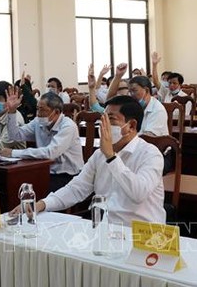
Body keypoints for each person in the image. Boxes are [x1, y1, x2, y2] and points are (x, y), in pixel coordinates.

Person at [13, 95, 166, 225]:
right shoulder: (100, 155)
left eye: (110, 119)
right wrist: (41, 204)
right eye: (102, 118)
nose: (103, 125)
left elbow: (138, 193)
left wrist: (111, 157)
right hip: (105, 231)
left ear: (131, 125)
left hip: (143, 235)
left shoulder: (150, 154)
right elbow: (76, 189)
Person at [1, 90, 84, 192]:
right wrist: (12, 112)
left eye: (42, 110)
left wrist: (13, 153)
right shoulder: (38, 122)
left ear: (56, 112)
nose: (38, 114)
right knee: (16, 186)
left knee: (36, 191)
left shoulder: (68, 126)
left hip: (68, 176)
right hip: (45, 172)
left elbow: (50, 153)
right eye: (37, 109)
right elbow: (15, 135)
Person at [107, 63, 169, 136]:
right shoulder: (133, 105)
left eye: (134, 90)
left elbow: (149, 137)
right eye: (129, 91)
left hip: (152, 145)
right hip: (133, 143)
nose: (131, 94)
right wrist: (118, 76)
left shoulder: (157, 110)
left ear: (146, 90)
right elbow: (110, 100)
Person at [150, 52, 192, 116]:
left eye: (174, 83)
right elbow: (155, 81)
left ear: (180, 85)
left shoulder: (186, 98)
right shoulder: (166, 92)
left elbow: (186, 116)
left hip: (178, 123)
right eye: (169, 83)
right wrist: (154, 65)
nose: (171, 85)